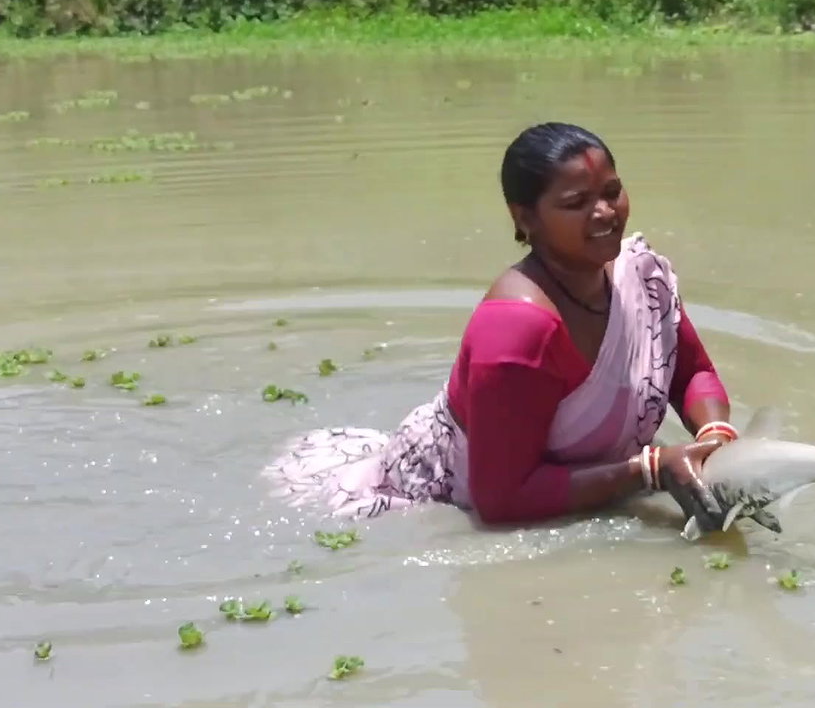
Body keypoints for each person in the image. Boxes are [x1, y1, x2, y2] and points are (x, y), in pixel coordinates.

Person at [263, 121, 739, 530]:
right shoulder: (516, 330)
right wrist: (651, 471)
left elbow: (691, 371)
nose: (605, 212)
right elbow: (501, 502)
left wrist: (714, 435)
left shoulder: (642, 278)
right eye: (576, 202)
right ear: (525, 218)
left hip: (589, 480)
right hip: (434, 496)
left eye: (611, 192)